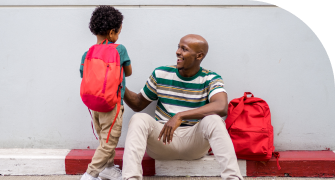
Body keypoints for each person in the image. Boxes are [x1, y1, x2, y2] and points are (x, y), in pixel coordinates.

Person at [122, 34, 243, 180]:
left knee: (214, 120)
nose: (178, 52)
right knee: (138, 118)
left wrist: (180, 116)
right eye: (178, 47)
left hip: (194, 143)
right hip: (162, 141)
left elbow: (221, 106)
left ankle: (233, 178)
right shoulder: (161, 74)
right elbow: (137, 104)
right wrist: (119, 84)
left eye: (184, 49)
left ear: (199, 56)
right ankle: (130, 178)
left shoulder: (210, 78)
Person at [79, 5, 132, 180]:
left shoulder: (87, 53)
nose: (118, 36)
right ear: (111, 33)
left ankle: (108, 168)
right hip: (112, 103)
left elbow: (83, 75)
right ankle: (90, 175)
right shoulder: (119, 49)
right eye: (119, 32)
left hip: (94, 103)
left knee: (103, 138)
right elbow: (129, 71)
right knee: (109, 142)